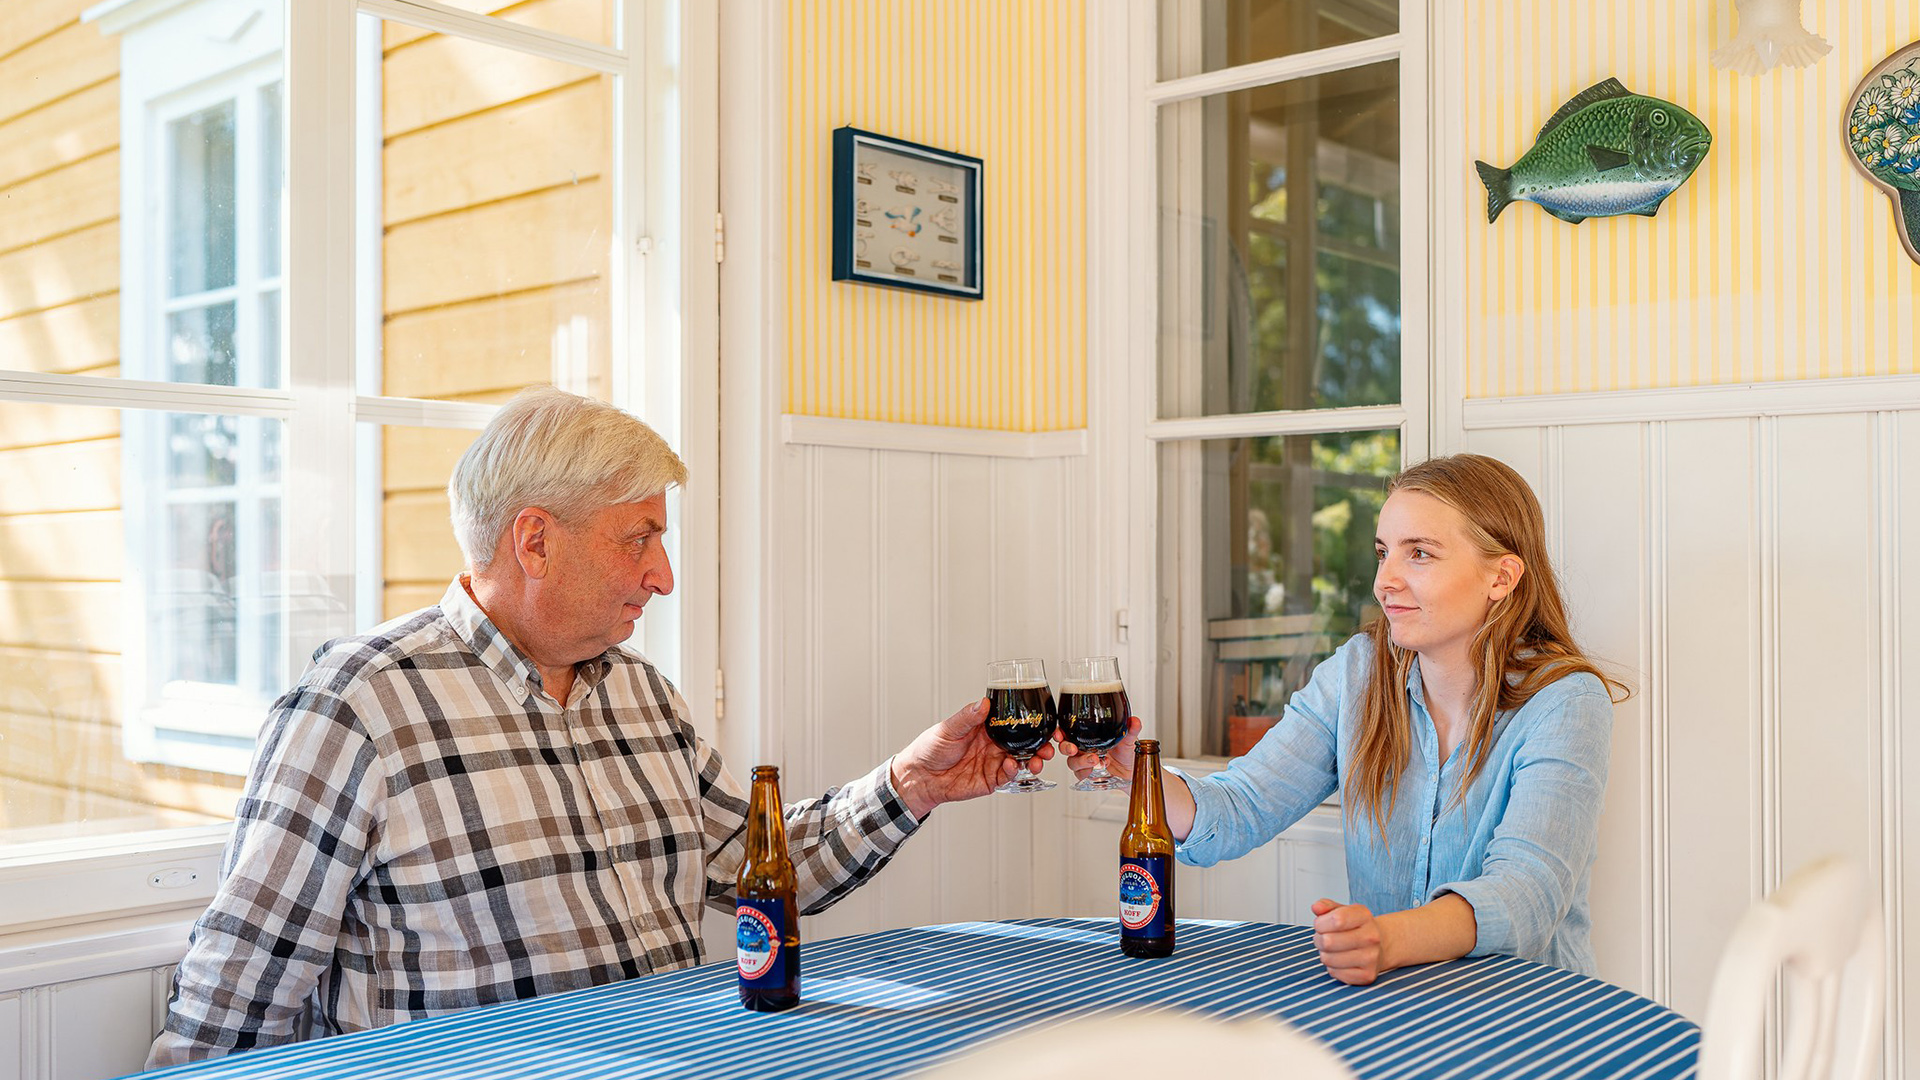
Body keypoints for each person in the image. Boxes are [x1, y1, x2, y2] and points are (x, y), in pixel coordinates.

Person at [148, 386, 1051, 1067]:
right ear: (534, 541)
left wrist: (913, 784)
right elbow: (241, 982)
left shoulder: (644, 695)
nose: (663, 576)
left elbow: (761, 872)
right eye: (638, 538)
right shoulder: (359, 704)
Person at [1059, 454, 1624, 984]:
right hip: (1392, 1001)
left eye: (1419, 554)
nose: (1384, 581)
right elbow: (1241, 806)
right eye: (1383, 552)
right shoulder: (1358, 674)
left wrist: (1389, 939)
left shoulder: (1564, 701)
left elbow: (1526, 894)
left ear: (1501, 577)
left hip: (1527, 1006)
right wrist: (1136, 774)